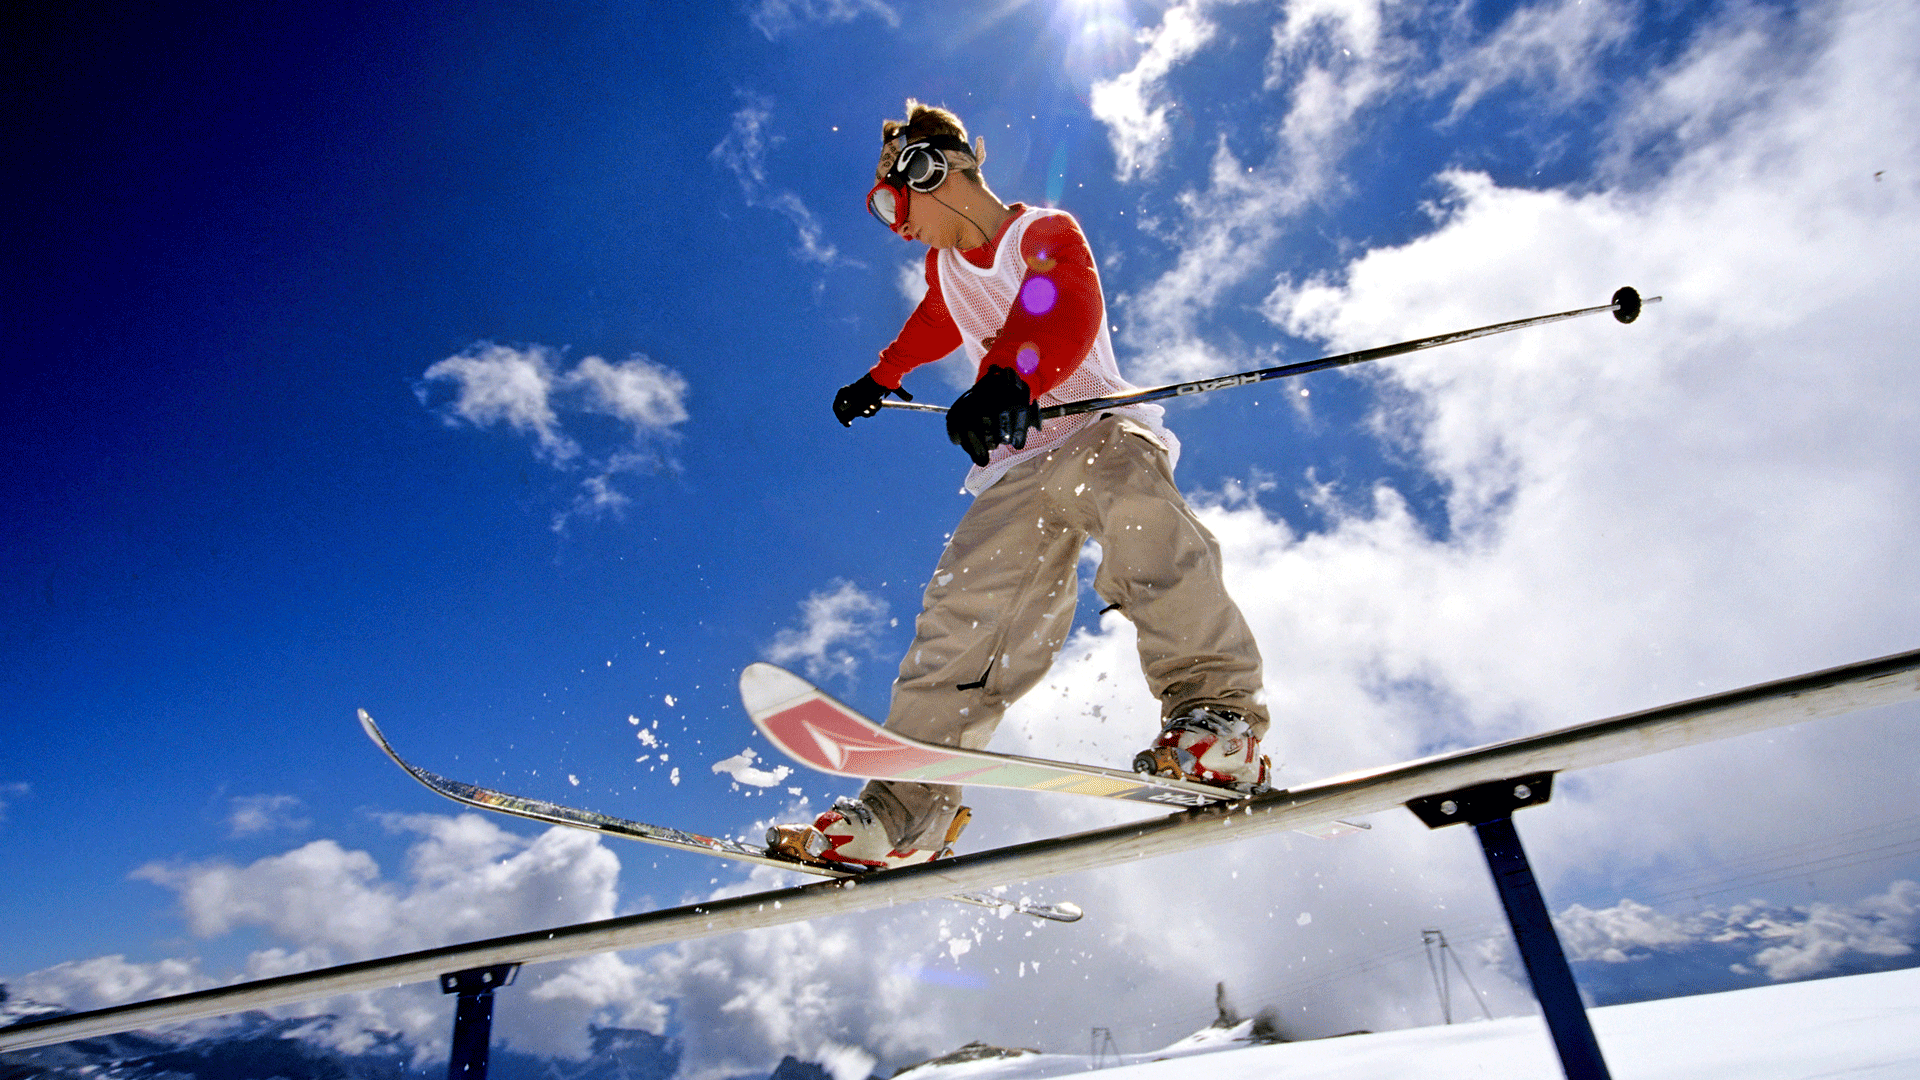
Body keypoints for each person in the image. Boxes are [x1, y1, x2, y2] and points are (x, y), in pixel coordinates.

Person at [767, 100, 1273, 871]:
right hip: (1017, 466)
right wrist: (880, 377)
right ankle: (906, 810)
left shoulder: (1042, 232)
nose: (895, 227)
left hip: (1098, 428)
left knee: (1150, 536)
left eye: (888, 203)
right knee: (962, 614)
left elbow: (1058, 300)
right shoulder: (944, 268)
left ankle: (1219, 723)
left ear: (933, 171)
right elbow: (934, 324)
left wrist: (1009, 374)